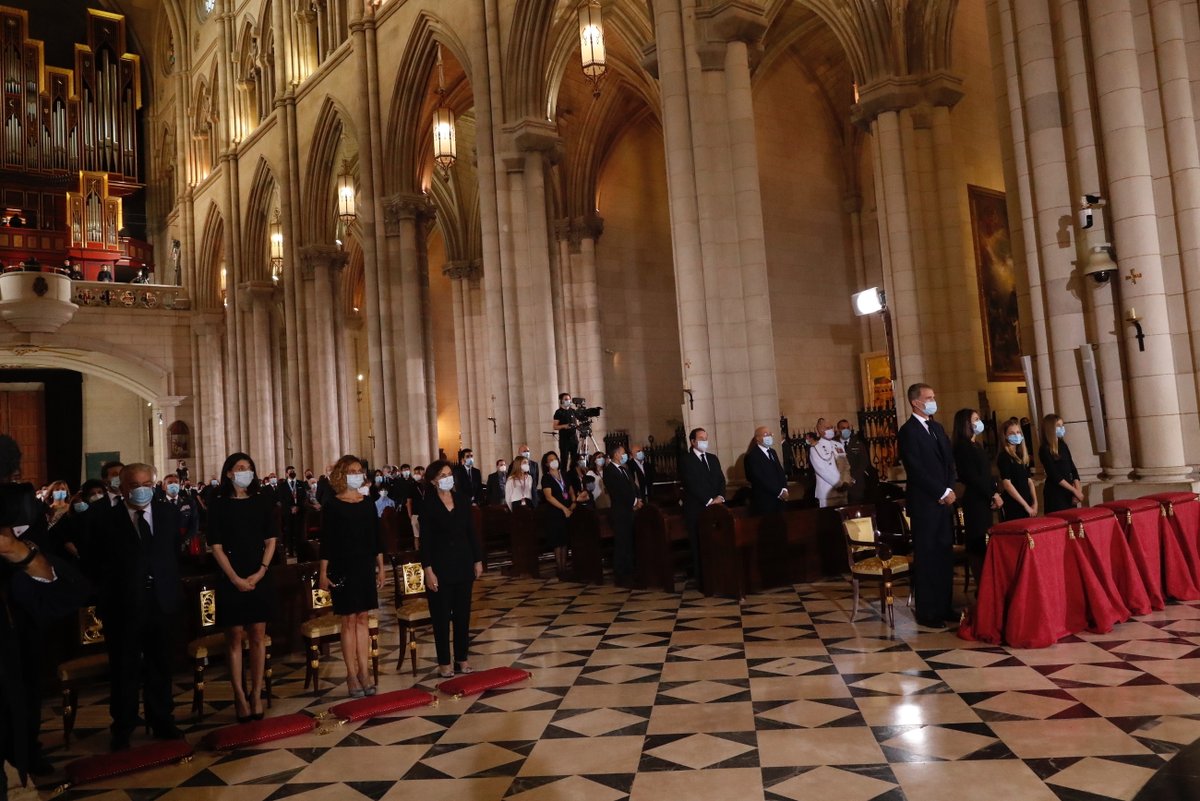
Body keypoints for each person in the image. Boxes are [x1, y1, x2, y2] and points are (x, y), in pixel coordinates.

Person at [94, 463, 185, 750]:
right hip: (124, 605)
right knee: (125, 667)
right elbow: (100, 566)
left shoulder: (167, 514)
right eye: (135, 485)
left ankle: (161, 719)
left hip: (161, 601)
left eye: (147, 483)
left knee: (161, 663)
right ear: (122, 489)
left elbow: (171, 556)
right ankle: (123, 725)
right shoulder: (107, 521)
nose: (142, 490)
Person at [207, 453, 276, 722]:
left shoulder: (261, 500)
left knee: (258, 636)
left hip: (259, 571)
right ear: (228, 473)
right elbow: (216, 546)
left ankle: (256, 693)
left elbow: (271, 540)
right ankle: (239, 694)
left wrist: (260, 572)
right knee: (234, 637)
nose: (245, 472)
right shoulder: (219, 503)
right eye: (239, 468)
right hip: (229, 573)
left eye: (249, 468)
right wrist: (235, 579)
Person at [318, 455, 384, 697]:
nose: (358, 474)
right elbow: (327, 542)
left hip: (365, 565)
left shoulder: (367, 503)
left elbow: (376, 538)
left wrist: (381, 566)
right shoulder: (332, 504)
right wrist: (323, 572)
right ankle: (351, 674)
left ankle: (365, 672)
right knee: (348, 620)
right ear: (342, 475)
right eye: (352, 471)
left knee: (363, 618)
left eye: (360, 471)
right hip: (342, 566)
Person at [897, 383, 958, 629]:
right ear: (915, 402)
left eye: (933, 396)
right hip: (925, 504)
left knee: (944, 555)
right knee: (927, 558)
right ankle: (928, 612)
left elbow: (949, 462)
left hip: (945, 503)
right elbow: (916, 469)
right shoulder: (908, 431)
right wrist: (941, 491)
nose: (933, 401)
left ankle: (944, 606)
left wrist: (950, 488)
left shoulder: (937, 427)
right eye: (929, 397)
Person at [419, 460, 484, 678]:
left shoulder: (462, 500)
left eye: (449, 474)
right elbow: (425, 541)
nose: (447, 478)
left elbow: (471, 532)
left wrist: (477, 560)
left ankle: (462, 659)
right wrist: (428, 570)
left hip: (463, 563)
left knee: (463, 616)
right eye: (442, 475)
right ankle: (444, 662)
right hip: (440, 567)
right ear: (433, 481)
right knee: (440, 617)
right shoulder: (427, 505)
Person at [952, 408, 1002, 581]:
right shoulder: (962, 447)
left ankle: (988, 581)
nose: (979, 422)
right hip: (975, 499)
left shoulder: (977, 445)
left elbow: (986, 474)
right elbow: (972, 477)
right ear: (966, 423)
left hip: (984, 497)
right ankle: (981, 583)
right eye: (975, 419)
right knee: (977, 541)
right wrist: (992, 495)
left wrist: (993, 492)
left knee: (986, 540)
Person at [678, 428, 725, 585]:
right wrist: (708, 500)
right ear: (692, 441)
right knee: (698, 545)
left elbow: (720, 480)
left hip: (716, 508)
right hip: (697, 509)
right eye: (701, 438)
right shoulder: (686, 460)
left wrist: (720, 497)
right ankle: (702, 580)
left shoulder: (713, 458)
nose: (704, 441)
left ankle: (718, 575)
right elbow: (692, 484)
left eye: (706, 437)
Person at [603, 445, 639, 585]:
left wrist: (638, 498)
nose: (625, 456)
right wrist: (634, 501)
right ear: (617, 454)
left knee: (629, 541)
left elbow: (632, 486)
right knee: (622, 542)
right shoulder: (609, 471)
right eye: (623, 453)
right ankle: (621, 572)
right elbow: (619, 491)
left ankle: (630, 569)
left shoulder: (624, 469)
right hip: (620, 511)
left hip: (629, 510)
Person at [540, 451, 578, 578]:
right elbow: (549, 497)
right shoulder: (546, 478)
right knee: (557, 541)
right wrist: (563, 508)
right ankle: (560, 568)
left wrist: (573, 502)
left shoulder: (564, 475)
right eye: (550, 460)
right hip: (555, 512)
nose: (554, 461)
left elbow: (571, 490)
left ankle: (565, 567)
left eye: (555, 459)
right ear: (546, 463)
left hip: (568, 511)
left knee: (565, 539)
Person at [1040, 414, 1084, 512]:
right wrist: (1074, 491)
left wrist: (1078, 490)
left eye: (1062, 425)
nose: (1062, 428)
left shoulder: (1063, 445)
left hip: (1069, 492)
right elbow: (1054, 475)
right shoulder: (1045, 449)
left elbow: (1072, 468)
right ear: (1050, 428)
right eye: (1058, 426)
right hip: (1056, 493)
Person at [997, 419, 1037, 521]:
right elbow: (1007, 484)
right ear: (1005, 436)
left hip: (1028, 502)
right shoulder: (1004, 457)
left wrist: (1035, 502)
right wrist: (1025, 506)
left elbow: (1029, 481)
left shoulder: (1021, 456)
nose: (1016, 435)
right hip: (1015, 505)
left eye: (1018, 432)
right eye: (1012, 433)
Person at [744, 426, 788, 515]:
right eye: (766, 435)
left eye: (770, 434)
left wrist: (784, 488)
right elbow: (759, 478)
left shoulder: (772, 452)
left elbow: (780, 471)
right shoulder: (753, 456)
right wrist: (779, 491)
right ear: (758, 438)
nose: (769, 436)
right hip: (765, 500)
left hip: (779, 499)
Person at [160, 473, 200, 553]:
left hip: (186, 544)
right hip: (166, 545)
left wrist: (184, 539)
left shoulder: (189, 502)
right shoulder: (158, 504)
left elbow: (194, 523)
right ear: (164, 487)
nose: (173, 485)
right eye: (170, 483)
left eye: (176, 482)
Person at [809, 423, 847, 508]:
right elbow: (821, 470)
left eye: (831, 427)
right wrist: (839, 484)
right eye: (827, 427)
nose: (831, 429)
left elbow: (845, 465)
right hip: (827, 492)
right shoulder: (815, 448)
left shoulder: (838, 445)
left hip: (843, 491)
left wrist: (847, 480)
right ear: (821, 431)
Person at [277, 466, 308, 557]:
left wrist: (298, 507)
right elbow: (282, 499)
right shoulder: (282, 485)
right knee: (289, 532)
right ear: (286, 473)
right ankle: (290, 551)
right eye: (290, 471)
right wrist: (291, 508)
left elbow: (304, 497)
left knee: (299, 532)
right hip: (288, 512)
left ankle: (299, 551)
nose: (292, 472)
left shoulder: (301, 483)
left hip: (299, 512)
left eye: (294, 471)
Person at [553, 393, 580, 471]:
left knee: (575, 459)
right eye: (565, 399)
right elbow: (555, 426)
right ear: (561, 401)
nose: (568, 401)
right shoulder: (558, 412)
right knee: (564, 459)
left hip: (574, 439)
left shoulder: (573, 411)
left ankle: (573, 474)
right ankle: (564, 476)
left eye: (569, 399)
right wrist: (564, 426)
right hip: (564, 440)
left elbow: (577, 423)